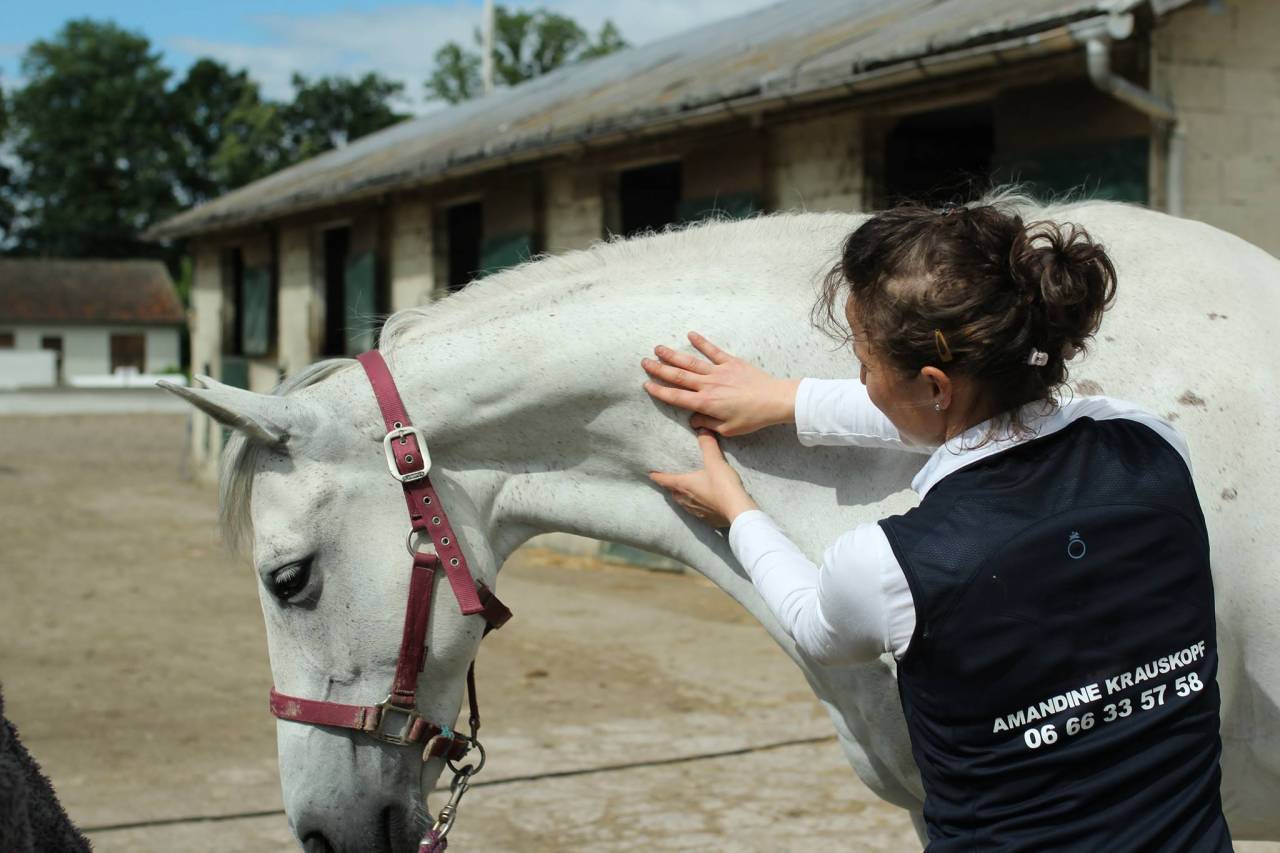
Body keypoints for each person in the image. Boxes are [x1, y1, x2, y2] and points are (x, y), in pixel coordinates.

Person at [641, 200, 1231, 851]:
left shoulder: (895, 565)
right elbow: (990, 420)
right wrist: (788, 400)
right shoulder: (1147, 441)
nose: (861, 383)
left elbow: (816, 625)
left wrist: (738, 512)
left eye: (864, 366)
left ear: (934, 385)